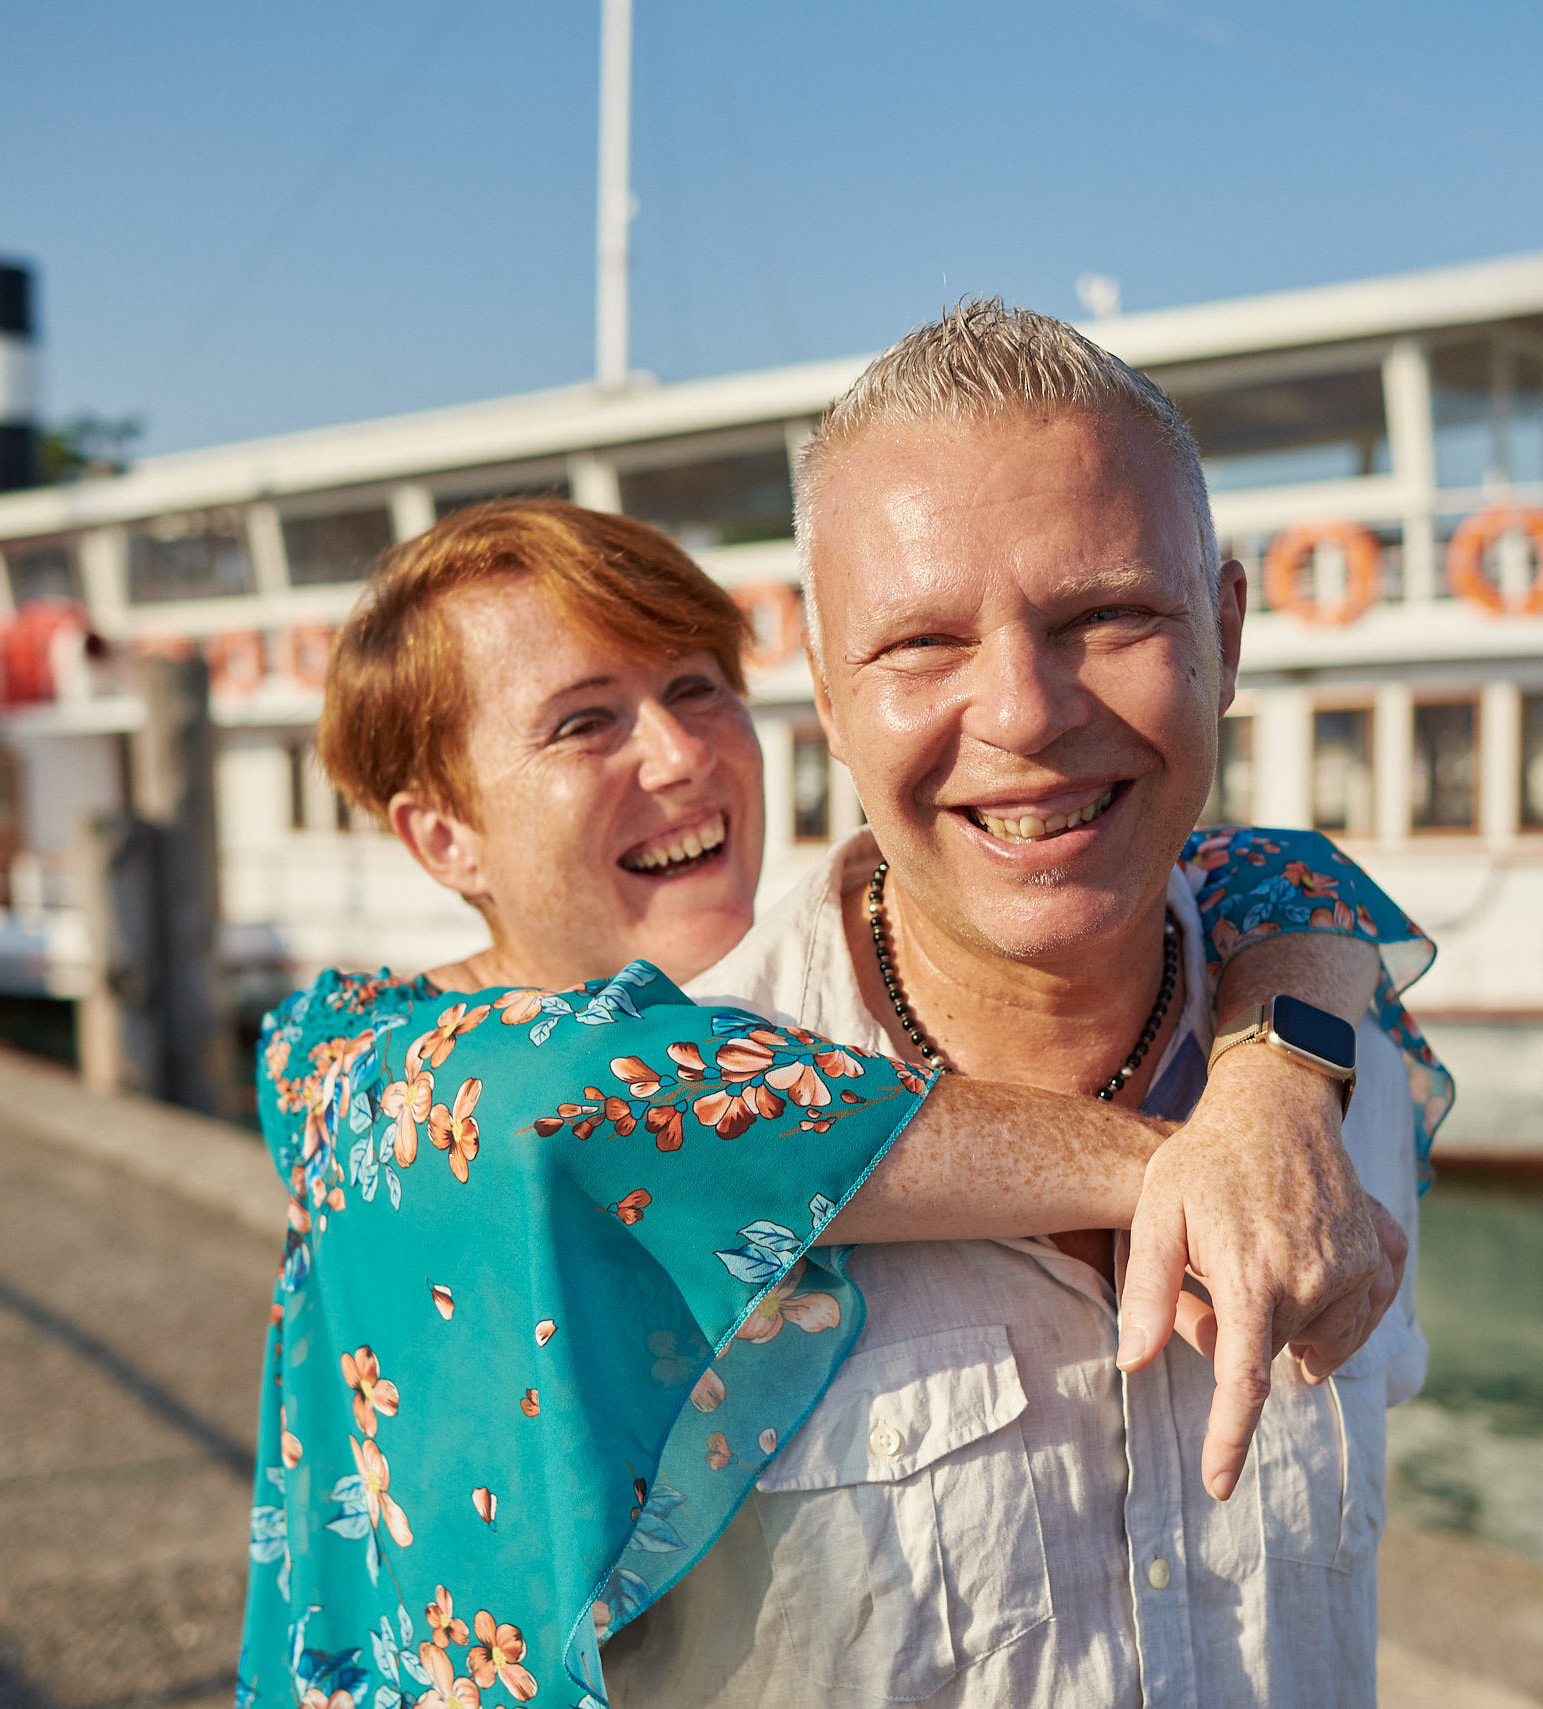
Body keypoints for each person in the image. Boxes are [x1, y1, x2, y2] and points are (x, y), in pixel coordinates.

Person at [235, 501, 1424, 1708]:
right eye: (584, 722)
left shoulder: (728, 1019)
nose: (679, 753)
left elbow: (1277, 872)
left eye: (697, 687)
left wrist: (1274, 1079)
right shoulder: (382, 1084)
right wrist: (1202, 1164)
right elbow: (608, 1111)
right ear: (444, 839)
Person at [598, 301, 1453, 1706]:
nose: (1024, 712)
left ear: (1224, 636)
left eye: (1108, 615)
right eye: (922, 644)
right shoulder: (659, 1143)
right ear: (824, 688)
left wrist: (1289, 1056)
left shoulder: (1332, 1052)